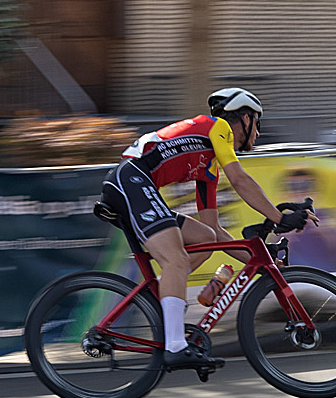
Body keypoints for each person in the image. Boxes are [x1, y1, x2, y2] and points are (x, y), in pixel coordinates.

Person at [101, 87, 319, 373]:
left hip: (135, 184)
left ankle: (166, 294)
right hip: (130, 180)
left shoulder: (208, 167)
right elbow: (240, 180)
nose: (257, 133)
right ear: (244, 117)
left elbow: (214, 231)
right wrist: (279, 217)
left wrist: (263, 258)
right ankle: (176, 346)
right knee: (176, 259)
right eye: (257, 123)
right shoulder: (219, 128)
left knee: (204, 237)